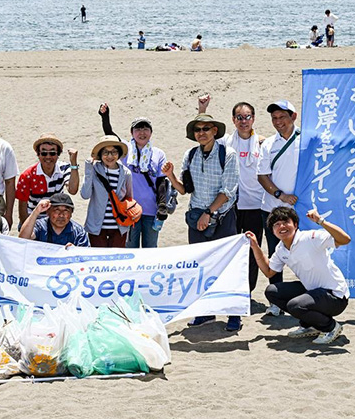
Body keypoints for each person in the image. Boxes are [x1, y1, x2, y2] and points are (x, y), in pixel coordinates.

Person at [162, 113, 241, 331]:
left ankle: (234, 315)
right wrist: (170, 176)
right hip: (196, 217)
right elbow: (186, 188)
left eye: (206, 128)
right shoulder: (190, 154)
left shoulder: (228, 154)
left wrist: (209, 212)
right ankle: (205, 313)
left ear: (215, 131)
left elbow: (228, 190)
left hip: (223, 217)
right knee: (200, 267)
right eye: (198, 130)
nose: (202, 133)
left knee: (228, 266)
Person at [246, 207, 350, 344]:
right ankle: (311, 324)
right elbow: (269, 271)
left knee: (295, 305)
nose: (281, 226)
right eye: (276, 224)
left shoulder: (310, 237)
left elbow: (345, 239)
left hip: (335, 296)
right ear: (272, 231)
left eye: (285, 222)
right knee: (272, 292)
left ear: (295, 225)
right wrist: (255, 247)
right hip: (313, 292)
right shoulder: (281, 249)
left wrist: (320, 221)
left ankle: (330, 327)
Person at [198, 95, 266, 296]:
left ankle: (248, 290)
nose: (243, 121)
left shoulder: (263, 143)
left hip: (255, 206)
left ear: (253, 119)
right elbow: (204, 136)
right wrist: (202, 109)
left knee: (253, 250)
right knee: (230, 250)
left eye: (247, 117)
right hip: (232, 207)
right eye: (239, 117)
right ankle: (229, 289)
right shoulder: (227, 141)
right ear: (233, 120)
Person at [99, 103, 170, 248]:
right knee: (131, 249)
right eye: (138, 129)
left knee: (150, 249)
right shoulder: (125, 150)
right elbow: (110, 135)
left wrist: (162, 206)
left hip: (151, 210)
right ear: (132, 133)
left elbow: (161, 182)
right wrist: (105, 116)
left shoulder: (158, 154)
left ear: (151, 132)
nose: (142, 132)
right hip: (129, 210)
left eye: (145, 129)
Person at [257, 100, 301, 317]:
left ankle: (309, 298)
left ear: (293, 116)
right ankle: (276, 301)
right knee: (275, 253)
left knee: (305, 253)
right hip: (273, 209)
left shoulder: (307, 139)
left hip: (301, 209)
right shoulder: (268, 144)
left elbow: (337, 147)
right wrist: (280, 195)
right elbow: (262, 175)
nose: (278, 122)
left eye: (282, 117)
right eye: (274, 118)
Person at [16, 133, 79, 226]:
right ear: (38, 155)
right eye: (44, 153)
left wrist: (74, 163)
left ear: (58, 154)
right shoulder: (28, 175)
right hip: (34, 219)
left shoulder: (64, 168)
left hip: (56, 219)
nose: (48, 157)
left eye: (52, 153)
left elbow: (73, 190)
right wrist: (26, 227)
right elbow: (22, 207)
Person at [81, 135, 133, 247]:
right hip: (97, 227)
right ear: (100, 154)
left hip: (119, 226)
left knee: (117, 261)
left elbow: (129, 198)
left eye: (114, 152)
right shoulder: (94, 170)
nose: (110, 156)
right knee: (98, 260)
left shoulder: (126, 173)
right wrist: (88, 169)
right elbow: (85, 194)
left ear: (119, 153)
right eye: (105, 152)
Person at [19, 193, 90, 247]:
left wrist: (75, 251)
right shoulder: (40, 226)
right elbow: (22, 239)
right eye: (57, 210)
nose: (61, 215)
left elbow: (86, 256)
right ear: (48, 212)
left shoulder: (78, 232)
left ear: (71, 214)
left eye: (66, 211)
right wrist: (36, 212)